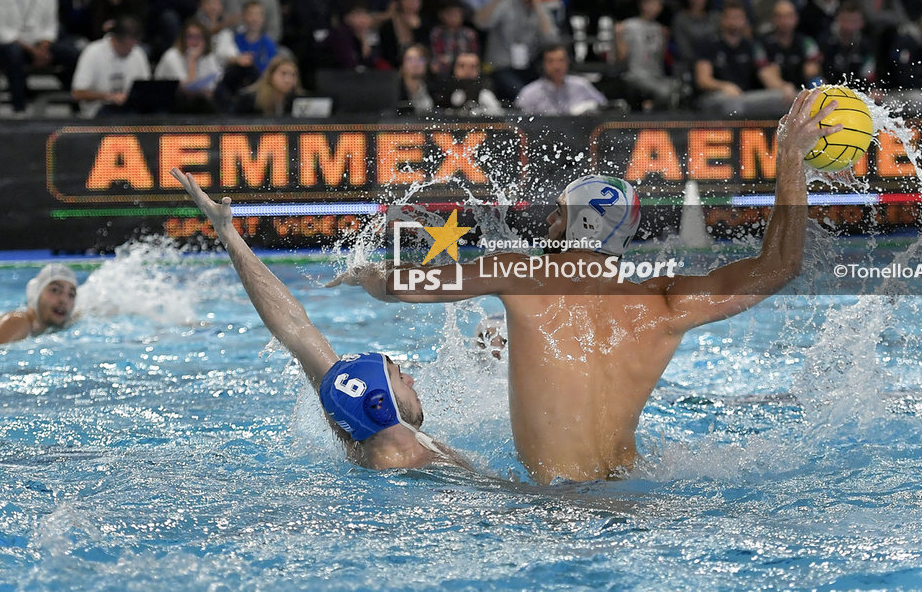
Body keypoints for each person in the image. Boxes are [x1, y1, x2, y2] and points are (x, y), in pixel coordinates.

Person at [333, 87, 841, 484]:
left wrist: (363, 273)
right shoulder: (665, 304)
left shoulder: (522, 274)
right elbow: (778, 266)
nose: (548, 222)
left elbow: (406, 285)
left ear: (572, 222)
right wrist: (791, 158)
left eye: (556, 214)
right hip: (636, 500)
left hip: (553, 511)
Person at [170, 167, 470, 472]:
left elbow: (295, 328)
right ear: (380, 407)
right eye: (398, 377)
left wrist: (228, 235)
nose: (411, 379)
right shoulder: (438, 473)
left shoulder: (357, 434)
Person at [694, 0, 795, 117]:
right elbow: (703, 80)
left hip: (746, 96)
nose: (734, 22)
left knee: (785, 97)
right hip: (717, 96)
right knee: (733, 103)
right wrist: (724, 86)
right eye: (731, 17)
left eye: (738, 17)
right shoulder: (709, 44)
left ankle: (778, 134)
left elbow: (766, 74)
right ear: (723, 19)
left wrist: (783, 86)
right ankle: (736, 135)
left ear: (745, 20)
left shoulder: (752, 46)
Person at [475, 0, 558, 101]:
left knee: (544, 94)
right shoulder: (505, 3)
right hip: (501, 65)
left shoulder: (541, 8)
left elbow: (551, 41)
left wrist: (538, 8)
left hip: (528, 65)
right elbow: (482, 23)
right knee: (524, 95)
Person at [0, 264, 78, 348]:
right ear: (36, 293)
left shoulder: (47, 329)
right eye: (55, 290)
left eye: (71, 295)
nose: (64, 300)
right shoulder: (17, 322)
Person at [71, 15, 151, 117]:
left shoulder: (138, 53)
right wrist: (108, 96)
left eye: (133, 45)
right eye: (127, 46)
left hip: (131, 110)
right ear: (115, 39)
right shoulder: (92, 52)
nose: (131, 50)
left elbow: (146, 88)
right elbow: (77, 93)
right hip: (99, 111)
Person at [616, 0, 677, 110]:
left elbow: (660, 58)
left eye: (658, 4)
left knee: (679, 90)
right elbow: (621, 56)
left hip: (656, 76)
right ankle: (648, 112)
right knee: (664, 92)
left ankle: (651, 109)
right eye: (651, 3)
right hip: (636, 76)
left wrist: (665, 39)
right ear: (643, 4)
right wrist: (618, 37)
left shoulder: (660, 30)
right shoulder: (628, 26)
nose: (654, 8)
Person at [514, 42, 606, 115]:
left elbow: (604, 107)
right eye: (551, 61)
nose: (556, 66)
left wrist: (588, 108)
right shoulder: (529, 93)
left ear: (567, 62)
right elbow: (519, 121)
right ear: (543, 64)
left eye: (561, 60)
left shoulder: (581, 85)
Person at [154, 19, 221, 112]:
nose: (195, 41)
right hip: (170, 102)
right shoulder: (172, 57)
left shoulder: (208, 57)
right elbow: (188, 90)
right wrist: (192, 61)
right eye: (190, 37)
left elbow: (211, 89)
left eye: (199, 37)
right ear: (183, 39)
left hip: (197, 100)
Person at [756, 0, 822, 92]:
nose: (785, 21)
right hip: (775, 95)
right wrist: (782, 85)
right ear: (773, 19)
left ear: (796, 18)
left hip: (802, 89)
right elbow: (765, 73)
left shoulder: (806, 42)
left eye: (789, 16)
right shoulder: (762, 43)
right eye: (780, 17)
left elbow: (813, 69)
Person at [432, 51, 502, 114]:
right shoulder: (443, 88)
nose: (467, 70)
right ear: (454, 68)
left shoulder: (486, 90)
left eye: (473, 66)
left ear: (479, 69)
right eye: (462, 66)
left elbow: (496, 113)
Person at [379, 0, 428, 69]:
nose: (414, 1)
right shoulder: (389, 25)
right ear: (400, 0)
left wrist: (416, 29)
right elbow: (387, 54)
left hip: (419, 68)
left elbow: (425, 51)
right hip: (393, 69)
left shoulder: (425, 23)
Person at [233, 54, 301, 116]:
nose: (288, 79)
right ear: (271, 75)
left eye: (293, 75)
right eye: (283, 73)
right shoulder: (249, 99)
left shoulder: (297, 100)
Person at [428, 0, 479, 77]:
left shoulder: (469, 34)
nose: (453, 17)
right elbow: (436, 56)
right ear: (443, 15)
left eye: (457, 14)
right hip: (444, 71)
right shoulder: (437, 33)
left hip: (465, 69)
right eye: (450, 14)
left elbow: (474, 56)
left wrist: (458, 61)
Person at [233, 1, 279, 73]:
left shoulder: (269, 44)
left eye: (258, 15)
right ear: (243, 16)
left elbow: (271, 70)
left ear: (263, 19)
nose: (254, 19)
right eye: (250, 14)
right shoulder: (235, 40)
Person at [397, 43, 433, 115]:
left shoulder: (433, 87)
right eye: (410, 59)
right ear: (402, 64)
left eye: (420, 59)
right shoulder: (394, 90)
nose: (415, 64)